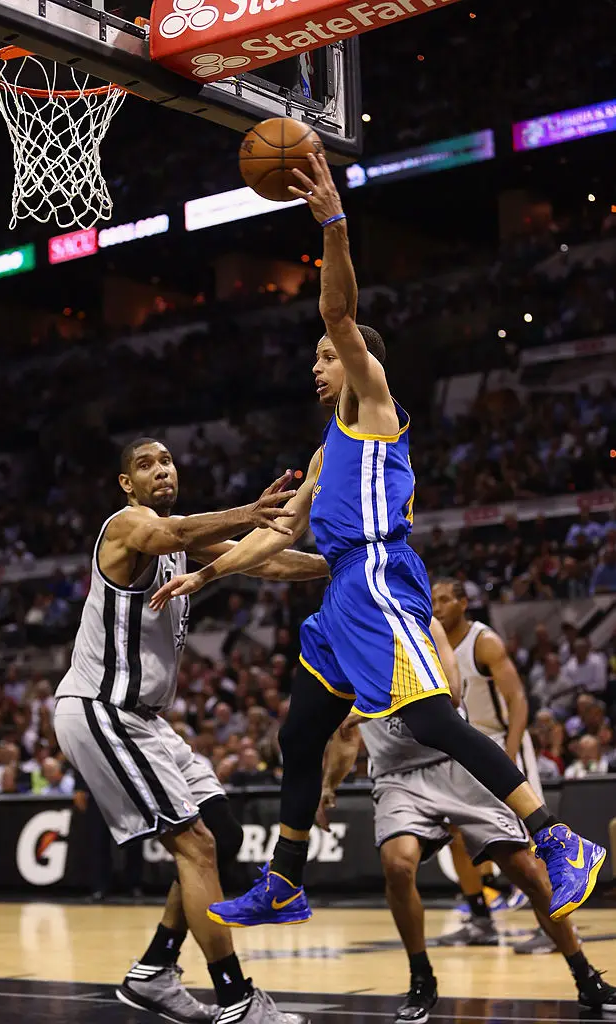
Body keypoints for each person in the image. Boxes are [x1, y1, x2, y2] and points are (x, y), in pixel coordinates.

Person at [152, 152, 605, 928]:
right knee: (299, 734)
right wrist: (210, 574)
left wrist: (331, 223)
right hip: (338, 594)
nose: (318, 366)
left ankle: (557, 836)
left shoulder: (374, 406)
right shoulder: (329, 451)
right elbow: (284, 536)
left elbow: (337, 314)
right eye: (317, 361)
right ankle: (287, 879)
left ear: (362, 364)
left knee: (430, 719)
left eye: (328, 356)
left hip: (378, 577)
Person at [54, 439, 330, 1024]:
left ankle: (154, 970)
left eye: (167, 461)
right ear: (127, 484)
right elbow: (175, 535)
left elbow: (268, 560)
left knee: (222, 836)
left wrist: (341, 562)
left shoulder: (187, 536)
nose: (162, 471)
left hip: (145, 719)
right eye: (147, 465)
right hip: (102, 707)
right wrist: (245, 512)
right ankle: (234, 1000)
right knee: (196, 845)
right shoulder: (129, 526)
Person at [316, 663, 616, 1022]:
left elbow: (453, 693)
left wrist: (374, 700)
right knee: (397, 866)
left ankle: (585, 976)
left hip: (456, 761)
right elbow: (343, 734)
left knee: (528, 873)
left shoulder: (421, 625)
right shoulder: (349, 651)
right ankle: (421, 979)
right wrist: (328, 789)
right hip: (397, 776)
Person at [430, 577, 543, 931]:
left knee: (530, 836)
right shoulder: (431, 644)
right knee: (455, 831)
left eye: (445, 600)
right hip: (464, 748)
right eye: (433, 600)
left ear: (464, 603)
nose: (437, 607)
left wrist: (509, 752)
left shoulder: (485, 642)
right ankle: (480, 917)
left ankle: (554, 925)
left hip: (501, 741)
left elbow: (518, 701)